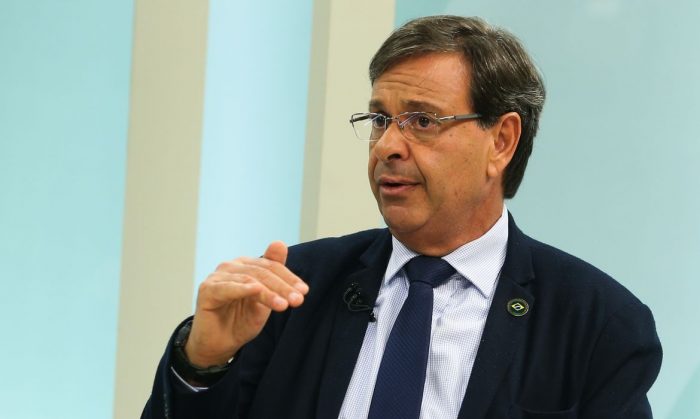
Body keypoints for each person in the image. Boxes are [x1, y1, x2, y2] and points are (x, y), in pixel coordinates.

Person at [142, 15, 662, 419]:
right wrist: (201, 363)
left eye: (422, 121)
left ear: (501, 141)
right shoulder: (292, 291)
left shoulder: (597, 323)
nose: (387, 145)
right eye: (380, 119)